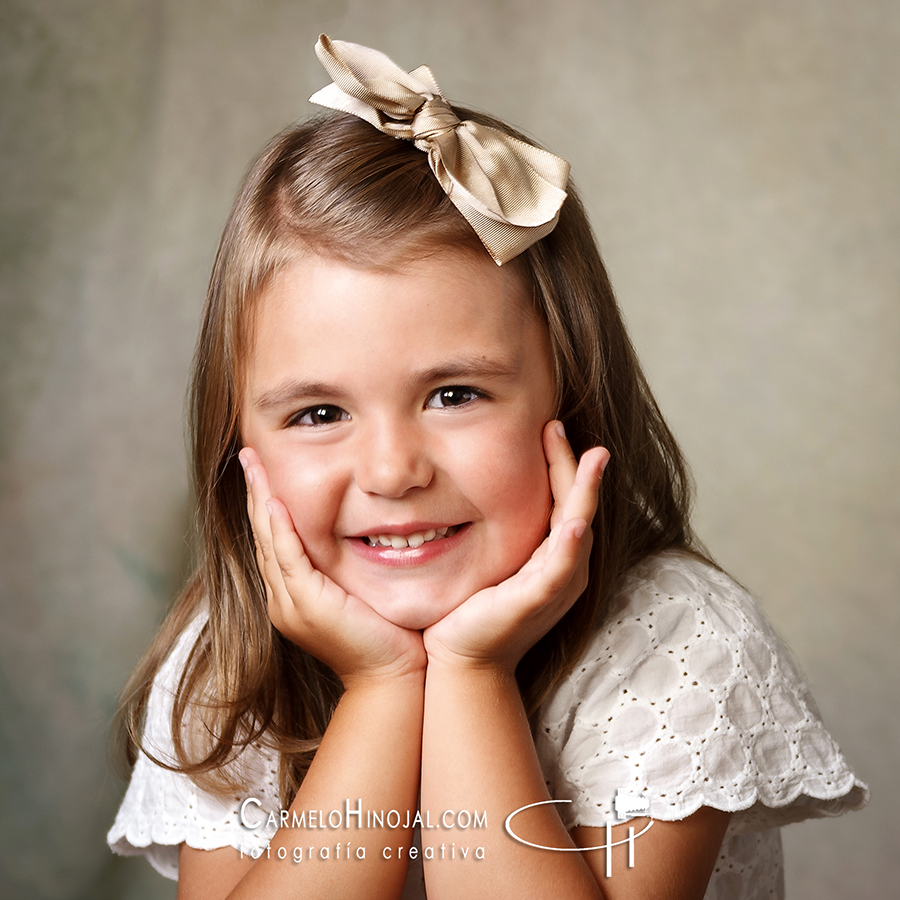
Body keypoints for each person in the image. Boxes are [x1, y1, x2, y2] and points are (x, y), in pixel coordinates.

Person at [108, 36, 867, 900]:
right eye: (320, 414)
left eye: (455, 395)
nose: (392, 471)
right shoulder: (235, 651)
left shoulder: (677, 643)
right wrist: (383, 686)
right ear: (239, 448)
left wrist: (470, 674)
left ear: (569, 397)